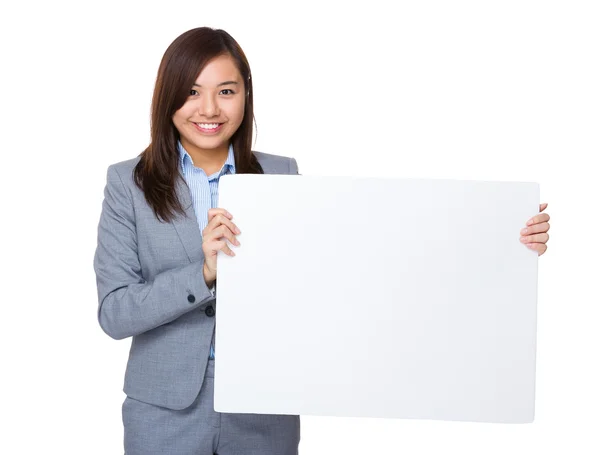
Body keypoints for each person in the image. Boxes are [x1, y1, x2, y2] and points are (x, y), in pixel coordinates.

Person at [93, 26, 551, 455]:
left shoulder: (281, 173)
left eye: (226, 91)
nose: (209, 109)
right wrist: (204, 272)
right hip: (164, 411)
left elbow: (359, 261)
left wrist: (505, 245)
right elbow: (114, 313)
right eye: (192, 91)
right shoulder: (128, 183)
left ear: (245, 96)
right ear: (167, 95)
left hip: (264, 406)